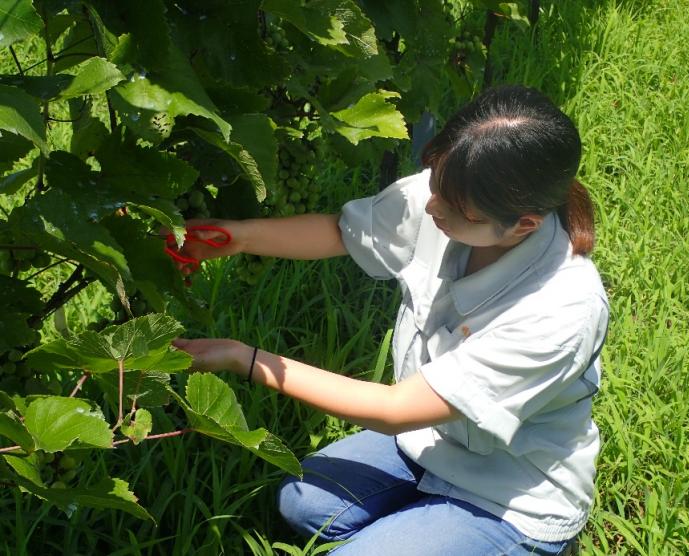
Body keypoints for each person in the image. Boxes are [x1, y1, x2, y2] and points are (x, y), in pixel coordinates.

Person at [171, 85, 609, 555]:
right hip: (430, 441)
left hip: (508, 493)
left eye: (452, 207)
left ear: (524, 224)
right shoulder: (454, 191)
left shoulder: (561, 310)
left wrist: (245, 357)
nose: (430, 207)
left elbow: (393, 410)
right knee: (302, 500)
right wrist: (234, 237)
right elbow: (341, 233)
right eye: (435, 183)